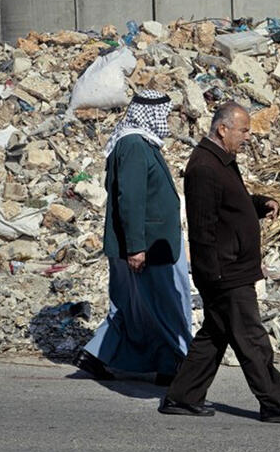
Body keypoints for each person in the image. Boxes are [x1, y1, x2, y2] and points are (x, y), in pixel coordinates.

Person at [160, 102, 280, 423]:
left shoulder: (222, 162)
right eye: (243, 130)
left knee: (214, 336)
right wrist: (216, 272)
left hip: (229, 269)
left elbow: (234, 204)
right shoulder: (204, 167)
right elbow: (202, 227)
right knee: (251, 338)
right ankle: (275, 402)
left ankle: (181, 397)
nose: (247, 136)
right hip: (225, 272)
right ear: (222, 129)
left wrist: (260, 204)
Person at [74, 90, 193, 387]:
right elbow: (131, 199)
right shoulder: (134, 145)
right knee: (163, 305)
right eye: (163, 114)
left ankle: (102, 356)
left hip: (146, 243)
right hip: (147, 246)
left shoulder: (137, 143)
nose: (165, 121)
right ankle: (175, 362)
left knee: (133, 306)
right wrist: (137, 248)